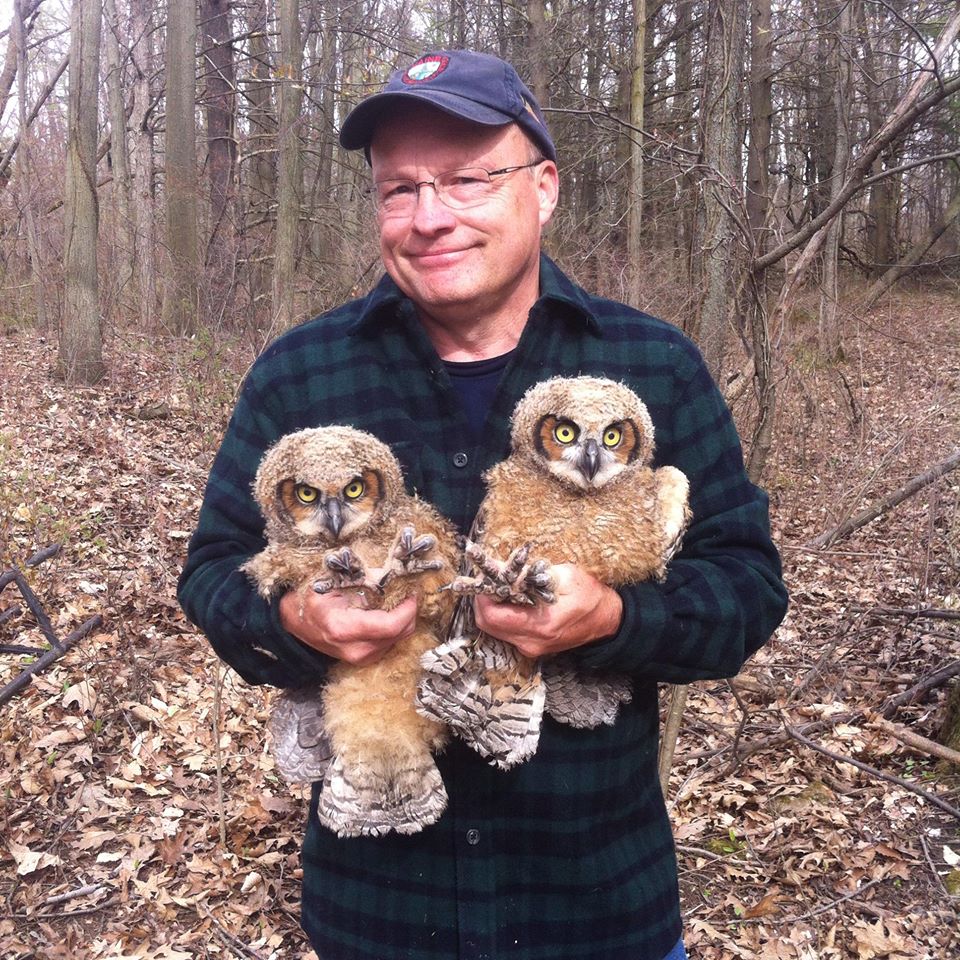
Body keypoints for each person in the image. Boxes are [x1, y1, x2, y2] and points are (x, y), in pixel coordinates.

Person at [178, 49, 788, 960]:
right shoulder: (299, 372)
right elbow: (211, 579)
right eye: (399, 189)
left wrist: (612, 619)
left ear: (543, 188)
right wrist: (297, 618)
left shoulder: (652, 365)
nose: (430, 218)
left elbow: (746, 587)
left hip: (593, 905)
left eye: (467, 179)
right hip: (378, 912)